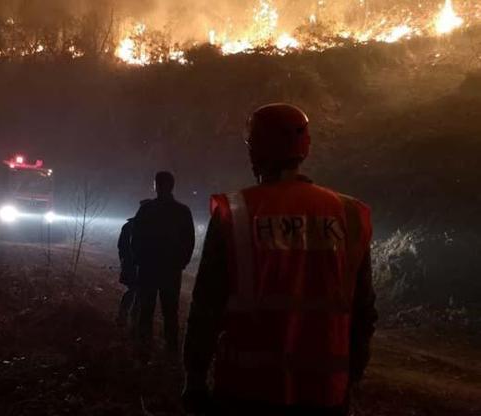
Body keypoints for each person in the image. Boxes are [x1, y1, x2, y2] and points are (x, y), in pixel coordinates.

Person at [182, 103, 377, 416]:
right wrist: (350, 377)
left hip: (245, 390)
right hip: (324, 393)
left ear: (254, 151)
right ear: (305, 148)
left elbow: (207, 304)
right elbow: (363, 309)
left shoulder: (237, 212)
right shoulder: (349, 214)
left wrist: (194, 376)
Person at [132, 171, 195, 354]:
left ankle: (143, 351)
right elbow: (189, 241)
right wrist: (181, 263)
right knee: (170, 313)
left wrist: (138, 260)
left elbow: (135, 238)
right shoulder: (182, 211)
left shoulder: (146, 210)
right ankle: (171, 351)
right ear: (172, 186)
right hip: (171, 270)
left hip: (148, 269)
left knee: (146, 311)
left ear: (156, 186)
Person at [116, 199, 150, 327]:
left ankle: (125, 317)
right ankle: (129, 319)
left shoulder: (130, 226)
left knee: (135, 292)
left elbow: (121, 247)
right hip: (135, 265)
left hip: (134, 265)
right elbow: (122, 247)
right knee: (137, 292)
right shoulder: (138, 227)